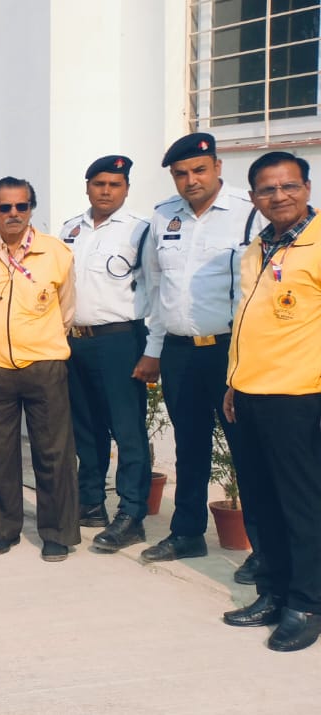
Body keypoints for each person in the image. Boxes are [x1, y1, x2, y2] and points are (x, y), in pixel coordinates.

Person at [138, 133, 264, 575]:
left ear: (217, 168)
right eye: (181, 174)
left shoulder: (249, 213)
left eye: (199, 170)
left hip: (230, 351)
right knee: (189, 446)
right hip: (179, 351)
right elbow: (157, 288)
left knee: (246, 449)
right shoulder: (163, 216)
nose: (191, 180)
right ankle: (187, 533)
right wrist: (154, 350)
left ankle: (263, 549)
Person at [220, 151, 321, 651]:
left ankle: (307, 604)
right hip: (249, 396)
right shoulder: (257, 248)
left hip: (299, 397)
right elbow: (248, 322)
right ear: (253, 197)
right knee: (261, 504)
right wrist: (233, 383)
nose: (279, 196)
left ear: (307, 188)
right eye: (267, 189)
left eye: (289, 186)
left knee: (302, 506)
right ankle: (274, 592)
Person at [0, 177, 80, 562]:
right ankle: (1, 530)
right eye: (5, 207)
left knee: (54, 453)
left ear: (31, 209)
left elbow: (66, 310)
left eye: (22, 206)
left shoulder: (56, 253)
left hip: (44, 367)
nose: (14, 214)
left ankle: (57, 533)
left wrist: (41, 342)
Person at [57, 156, 154, 553]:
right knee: (86, 429)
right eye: (99, 183)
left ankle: (131, 514)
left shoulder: (141, 231)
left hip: (120, 341)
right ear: (87, 187)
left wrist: (153, 350)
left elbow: (157, 288)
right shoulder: (70, 229)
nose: (106, 191)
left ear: (126, 188)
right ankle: (91, 502)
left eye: (115, 184)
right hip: (75, 341)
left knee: (127, 431)